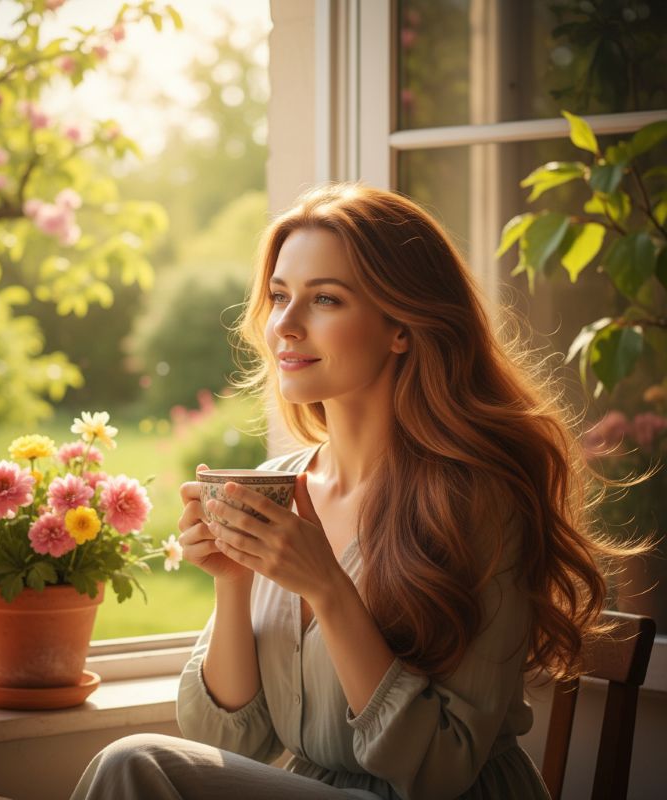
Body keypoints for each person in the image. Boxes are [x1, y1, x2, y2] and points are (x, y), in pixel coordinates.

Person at [70, 183, 637, 800]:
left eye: (326, 300)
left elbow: (442, 768)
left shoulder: (478, 501)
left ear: (401, 327)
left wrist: (327, 586)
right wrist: (233, 581)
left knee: (135, 765)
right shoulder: (279, 485)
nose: (284, 324)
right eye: (280, 296)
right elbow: (231, 740)